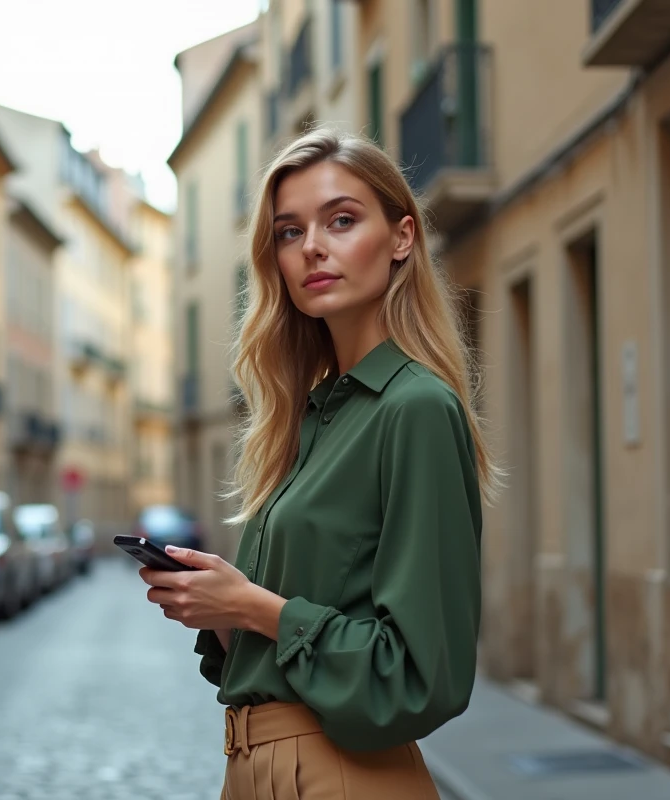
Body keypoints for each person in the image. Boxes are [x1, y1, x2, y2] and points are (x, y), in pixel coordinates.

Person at [138, 127, 500, 799]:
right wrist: (222, 611)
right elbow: (292, 640)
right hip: (254, 770)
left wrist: (253, 606)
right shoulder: (307, 419)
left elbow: (421, 676)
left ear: (401, 237)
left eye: (341, 220)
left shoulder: (415, 408)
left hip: (339, 776)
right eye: (288, 231)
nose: (311, 246)